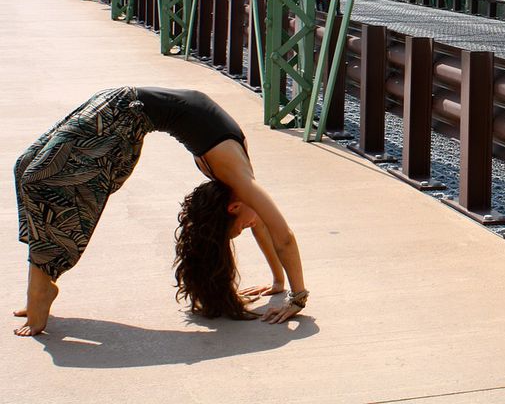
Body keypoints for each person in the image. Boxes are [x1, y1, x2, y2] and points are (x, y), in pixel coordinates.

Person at [13, 86, 308, 337]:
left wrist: (278, 282)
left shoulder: (237, 185)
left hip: (124, 110)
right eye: (241, 229)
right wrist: (297, 297)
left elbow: (264, 227)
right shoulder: (241, 180)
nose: (251, 226)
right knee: (32, 172)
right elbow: (283, 237)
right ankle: (41, 283)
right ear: (232, 207)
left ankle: (39, 286)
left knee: (35, 175)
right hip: (123, 111)